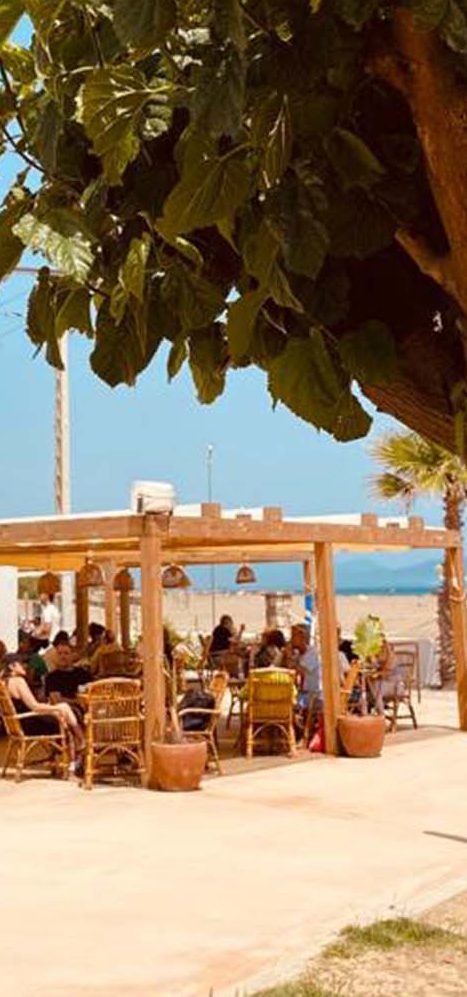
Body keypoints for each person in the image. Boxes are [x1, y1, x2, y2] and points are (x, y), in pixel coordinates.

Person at [2, 659, 83, 766]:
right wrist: (56, 709)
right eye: (21, 664)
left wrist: (53, 708)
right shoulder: (18, 681)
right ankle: (76, 755)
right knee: (65, 712)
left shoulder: (4, 682)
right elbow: (35, 707)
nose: (25, 666)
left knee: (64, 711)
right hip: (30, 723)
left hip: (18, 723)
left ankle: (67, 752)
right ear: (12, 666)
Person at [289, 624, 322, 707]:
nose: (291, 640)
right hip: (303, 694)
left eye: (294, 636)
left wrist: (289, 656)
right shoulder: (298, 654)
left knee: (290, 705)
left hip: (314, 695)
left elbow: (299, 671)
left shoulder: (312, 653)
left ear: (302, 638)